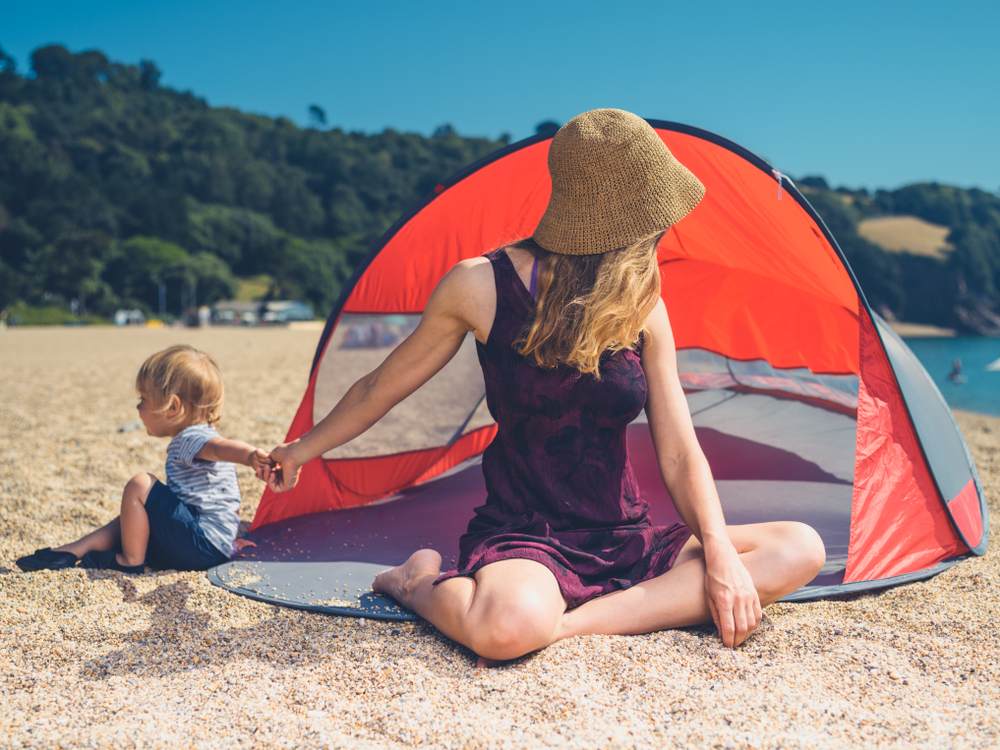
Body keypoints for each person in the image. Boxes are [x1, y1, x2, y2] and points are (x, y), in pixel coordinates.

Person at [260, 109, 826, 660]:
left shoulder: (642, 301)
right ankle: (414, 581)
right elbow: (382, 386)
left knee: (799, 549)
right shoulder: (480, 284)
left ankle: (566, 627)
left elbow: (679, 450)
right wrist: (301, 450)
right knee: (506, 630)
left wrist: (721, 551)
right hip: (527, 530)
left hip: (621, 531)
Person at [16, 345, 272, 574]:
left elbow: (219, 448)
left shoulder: (191, 438)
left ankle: (130, 561)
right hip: (212, 546)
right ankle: (73, 551)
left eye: (143, 400)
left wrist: (249, 455)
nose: (138, 408)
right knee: (134, 514)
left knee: (140, 485)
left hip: (198, 546)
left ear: (173, 407)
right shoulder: (199, 434)